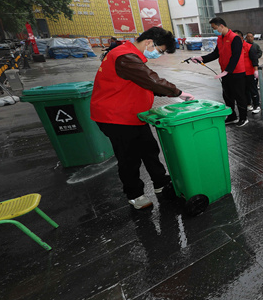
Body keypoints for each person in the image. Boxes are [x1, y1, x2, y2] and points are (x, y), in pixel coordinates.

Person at [90, 27, 194, 210]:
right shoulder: (125, 57)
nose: (158, 55)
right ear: (149, 42)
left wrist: (171, 94)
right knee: (129, 158)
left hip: (133, 115)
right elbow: (150, 79)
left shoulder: (129, 55)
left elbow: (143, 83)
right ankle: (134, 194)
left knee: (149, 149)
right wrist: (178, 92)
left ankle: (161, 182)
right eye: (160, 50)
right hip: (116, 118)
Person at [190, 17, 252, 127]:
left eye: (215, 28)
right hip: (225, 73)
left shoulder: (235, 38)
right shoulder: (220, 39)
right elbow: (215, 54)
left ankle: (244, 118)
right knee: (227, 96)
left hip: (237, 73)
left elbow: (236, 56)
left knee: (239, 96)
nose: (214, 30)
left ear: (221, 26)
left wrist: (228, 70)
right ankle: (232, 116)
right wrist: (201, 58)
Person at [244, 31, 263, 113]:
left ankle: (256, 104)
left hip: (253, 69)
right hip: (245, 71)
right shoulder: (243, 46)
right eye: (248, 37)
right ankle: (249, 104)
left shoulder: (255, 46)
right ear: (246, 38)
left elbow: (260, 52)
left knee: (253, 88)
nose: (250, 38)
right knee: (246, 89)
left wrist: (255, 57)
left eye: (251, 36)